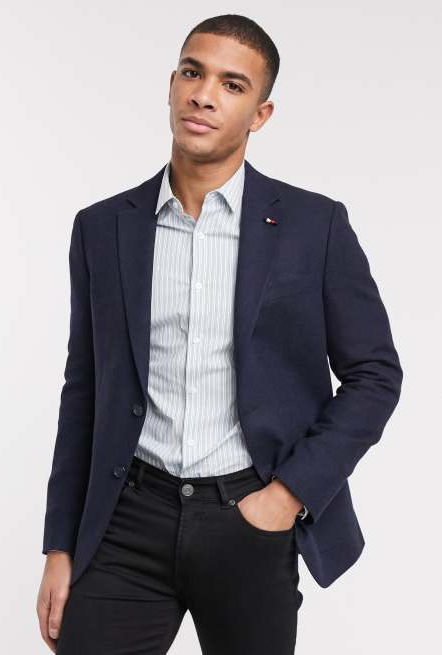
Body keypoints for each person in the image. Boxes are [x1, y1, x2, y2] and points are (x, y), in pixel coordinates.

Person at [36, 13, 402, 655]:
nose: (204, 95)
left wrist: (287, 496)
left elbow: (375, 375)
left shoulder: (313, 227)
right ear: (172, 84)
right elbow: (84, 389)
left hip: (248, 519)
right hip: (127, 520)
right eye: (192, 72)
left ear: (260, 115)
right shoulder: (102, 228)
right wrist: (60, 546)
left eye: (232, 85)